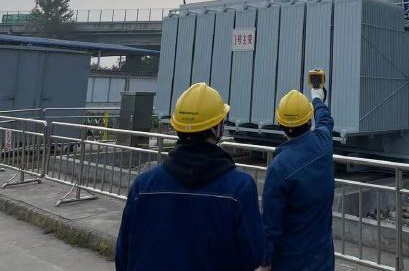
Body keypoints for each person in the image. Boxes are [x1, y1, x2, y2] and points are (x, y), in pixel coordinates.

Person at [115, 83, 264, 271]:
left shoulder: (142, 187)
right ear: (217, 129)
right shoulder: (239, 188)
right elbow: (253, 255)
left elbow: (123, 257)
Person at [260, 87, 335, 271]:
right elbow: (325, 120)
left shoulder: (278, 167)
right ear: (309, 120)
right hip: (323, 260)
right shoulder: (323, 144)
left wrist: (265, 261)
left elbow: (270, 224)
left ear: (280, 125)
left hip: (289, 261)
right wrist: (317, 98)